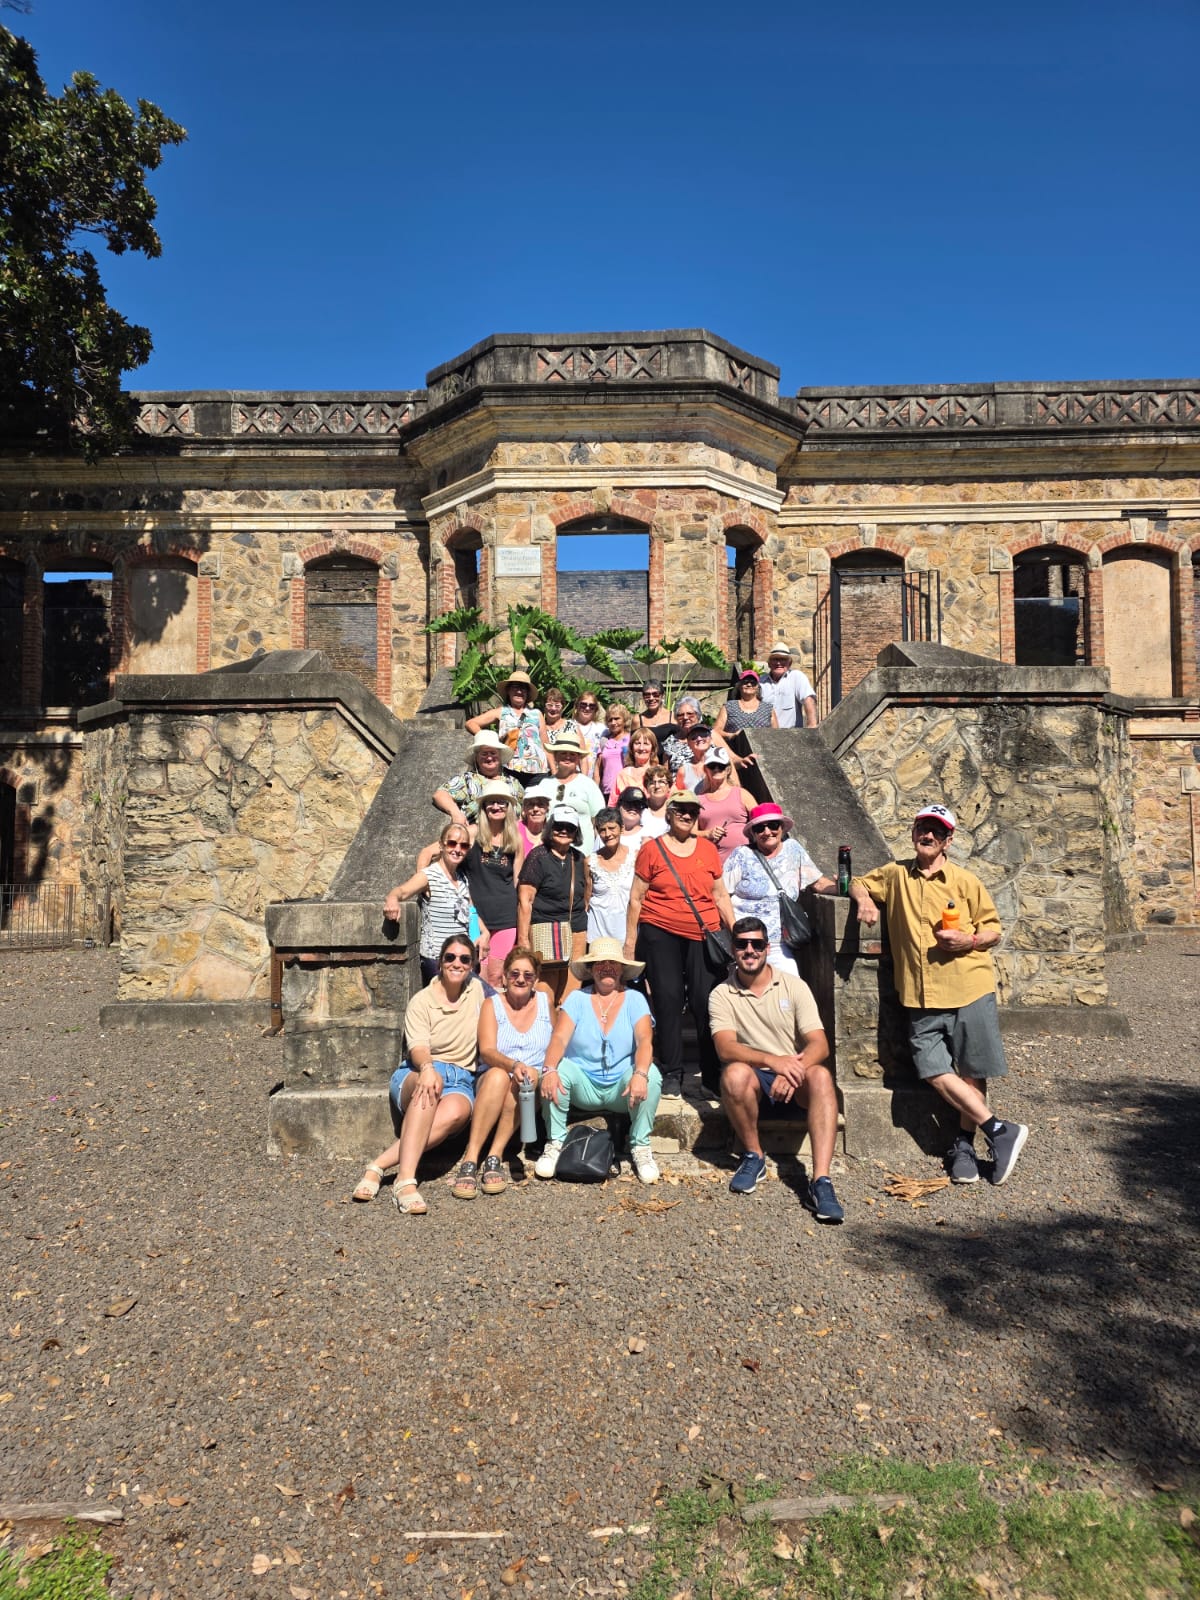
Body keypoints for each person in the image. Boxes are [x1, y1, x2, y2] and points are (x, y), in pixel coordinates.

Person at [849, 802, 1028, 1187]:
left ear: (948, 840)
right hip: (918, 994)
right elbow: (858, 880)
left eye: (936, 831)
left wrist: (970, 939)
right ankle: (998, 1129)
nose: (926, 835)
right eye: (921, 829)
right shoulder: (895, 874)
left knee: (972, 1072)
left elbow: (994, 929)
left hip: (968, 987)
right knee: (932, 1069)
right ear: (914, 834)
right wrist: (864, 900)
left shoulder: (965, 881)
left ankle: (964, 1145)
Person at [710, 916, 843, 1221]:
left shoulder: (793, 986)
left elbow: (819, 1044)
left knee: (821, 1075)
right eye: (742, 944)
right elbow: (725, 1047)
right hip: (756, 1082)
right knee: (733, 1074)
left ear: (767, 947)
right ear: (733, 950)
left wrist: (790, 1068)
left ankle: (821, 1181)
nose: (749, 950)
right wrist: (772, 1062)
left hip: (795, 1080)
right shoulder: (721, 994)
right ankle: (754, 1155)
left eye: (756, 944)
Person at [351, 934, 486, 1214]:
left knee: (456, 1113)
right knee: (429, 1088)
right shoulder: (422, 1000)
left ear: (472, 965)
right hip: (418, 1071)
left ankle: (378, 1165)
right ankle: (406, 1181)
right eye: (450, 957)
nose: (456, 963)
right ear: (440, 962)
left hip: (460, 1078)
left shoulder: (478, 992)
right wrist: (427, 1069)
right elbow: (418, 1047)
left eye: (464, 959)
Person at [625, 793, 736, 1096]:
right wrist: (630, 942)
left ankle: (711, 1074)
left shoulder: (707, 848)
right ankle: (673, 1070)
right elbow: (636, 898)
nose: (687, 815)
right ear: (670, 814)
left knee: (705, 1001)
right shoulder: (652, 849)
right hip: (660, 929)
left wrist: (735, 930)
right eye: (681, 811)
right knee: (668, 998)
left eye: (692, 811)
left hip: (703, 933)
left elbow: (720, 895)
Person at [535, 938, 662, 1185]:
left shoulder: (635, 999)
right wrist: (549, 1069)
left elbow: (645, 1040)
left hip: (621, 1089)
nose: (606, 967)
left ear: (621, 968)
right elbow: (559, 1038)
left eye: (612, 962)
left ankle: (640, 1146)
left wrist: (641, 1073)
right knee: (556, 1070)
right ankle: (555, 1142)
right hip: (584, 1083)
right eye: (599, 963)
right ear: (591, 968)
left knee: (652, 1075)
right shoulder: (577, 999)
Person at [450, 945, 556, 1199]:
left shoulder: (544, 1002)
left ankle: (495, 1155)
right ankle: (471, 1157)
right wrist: (512, 1065)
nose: (521, 979)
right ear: (504, 976)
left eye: (528, 975)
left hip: (530, 1086)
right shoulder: (492, 1005)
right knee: (500, 1075)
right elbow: (486, 1050)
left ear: (536, 978)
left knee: (528, 1075)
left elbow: (556, 1042)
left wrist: (548, 1070)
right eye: (515, 973)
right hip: (494, 1079)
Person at [723, 802, 835, 974]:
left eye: (773, 825)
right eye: (760, 828)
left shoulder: (793, 849)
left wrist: (848, 888)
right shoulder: (742, 854)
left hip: (779, 943)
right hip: (747, 942)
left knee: (790, 990)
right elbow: (722, 894)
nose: (767, 832)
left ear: (782, 828)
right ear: (753, 833)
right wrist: (735, 933)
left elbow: (818, 882)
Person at [384, 821, 473, 983]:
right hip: (438, 959)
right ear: (441, 845)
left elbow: (470, 913)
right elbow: (401, 891)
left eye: (464, 846)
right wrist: (392, 899)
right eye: (452, 843)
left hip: (462, 960)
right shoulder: (429, 875)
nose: (458, 849)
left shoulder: (462, 879)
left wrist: (483, 933)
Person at [517, 803, 591, 984]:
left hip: (576, 931)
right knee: (545, 990)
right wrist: (523, 939)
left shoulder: (579, 858)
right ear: (550, 828)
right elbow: (525, 901)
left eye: (570, 827)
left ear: (576, 832)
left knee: (571, 992)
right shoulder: (538, 857)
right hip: (546, 931)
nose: (564, 831)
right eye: (559, 826)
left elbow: (586, 894)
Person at [464, 782, 524, 986]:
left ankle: (491, 1018)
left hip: (506, 917)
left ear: (509, 807)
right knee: (477, 974)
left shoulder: (515, 838)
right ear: (483, 807)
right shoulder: (471, 833)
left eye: (501, 802)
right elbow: (433, 852)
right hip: (476, 915)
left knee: (497, 976)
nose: (496, 806)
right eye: (491, 802)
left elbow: (518, 879)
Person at [465, 669, 549, 785]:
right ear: (508, 691)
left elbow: (545, 745)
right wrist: (488, 740)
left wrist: (554, 771)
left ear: (527, 693)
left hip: (537, 771)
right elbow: (471, 723)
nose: (519, 691)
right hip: (510, 768)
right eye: (515, 687)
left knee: (535, 802)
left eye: (523, 688)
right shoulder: (501, 712)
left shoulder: (537, 714)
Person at [433, 730, 524, 828]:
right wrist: (456, 813)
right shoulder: (467, 780)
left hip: (511, 836)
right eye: (484, 754)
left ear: (500, 756)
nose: (489, 758)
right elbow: (440, 795)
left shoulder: (513, 782)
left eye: (493, 753)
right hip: (477, 836)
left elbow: (525, 808)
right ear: (476, 757)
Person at [543, 730, 605, 854]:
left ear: (578, 758)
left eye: (572, 754)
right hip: (549, 854)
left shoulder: (588, 785)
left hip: (581, 854)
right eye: (563, 753)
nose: (568, 757)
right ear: (555, 756)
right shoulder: (544, 784)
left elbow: (600, 820)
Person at [587, 808, 636, 943]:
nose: (607, 834)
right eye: (602, 830)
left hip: (627, 933)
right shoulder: (590, 862)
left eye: (612, 828)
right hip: (597, 934)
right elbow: (587, 899)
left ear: (622, 828)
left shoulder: (635, 857)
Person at [694, 748, 752, 861]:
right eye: (712, 765)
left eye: (721, 766)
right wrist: (707, 834)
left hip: (746, 861)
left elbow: (760, 820)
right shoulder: (698, 800)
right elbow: (689, 833)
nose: (716, 769)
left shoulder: (742, 794)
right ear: (706, 769)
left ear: (728, 769)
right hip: (714, 862)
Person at [760, 642, 818, 730]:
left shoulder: (796, 677)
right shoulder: (761, 682)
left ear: (789, 663)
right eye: (775, 659)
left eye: (783, 659)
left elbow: (808, 699)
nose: (779, 663)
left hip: (790, 736)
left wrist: (812, 726)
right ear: (769, 663)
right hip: (764, 735)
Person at [596, 703, 632, 801]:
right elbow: (598, 768)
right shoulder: (605, 740)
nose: (613, 722)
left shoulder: (631, 739)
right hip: (607, 792)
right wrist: (596, 790)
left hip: (626, 790)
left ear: (624, 719)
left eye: (617, 719)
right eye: (610, 720)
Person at [541, 686, 580, 774]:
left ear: (562, 707)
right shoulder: (539, 728)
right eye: (549, 705)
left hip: (571, 774)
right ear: (544, 707)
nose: (553, 709)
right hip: (544, 775)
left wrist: (584, 779)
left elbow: (583, 757)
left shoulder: (572, 726)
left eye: (557, 705)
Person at [659, 696, 701, 774]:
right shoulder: (670, 742)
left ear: (697, 715)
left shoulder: (709, 736)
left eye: (690, 714)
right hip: (676, 785)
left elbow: (729, 758)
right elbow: (665, 773)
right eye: (680, 715)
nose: (685, 717)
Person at [617, 726, 660, 795]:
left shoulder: (660, 772)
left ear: (653, 749)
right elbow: (613, 803)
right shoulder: (623, 774)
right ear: (631, 748)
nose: (641, 748)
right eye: (637, 743)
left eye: (646, 744)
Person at [517, 780, 556, 855]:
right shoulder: (515, 829)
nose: (535, 809)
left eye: (541, 804)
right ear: (524, 808)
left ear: (547, 808)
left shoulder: (553, 833)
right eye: (530, 804)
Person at [572, 690, 607, 776]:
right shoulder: (568, 726)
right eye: (583, 705)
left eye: (591, 706)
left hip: (595, 778)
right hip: (572, 777)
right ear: (577, 706)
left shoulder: (602, 729)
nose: (587, 708)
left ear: (596, 709)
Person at [642, 763, 673, 832]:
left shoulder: (675, 810)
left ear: (669, 787)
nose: (657, 786)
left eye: (661, 782)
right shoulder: (640, 809)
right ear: (646, 788)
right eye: (652, 783)